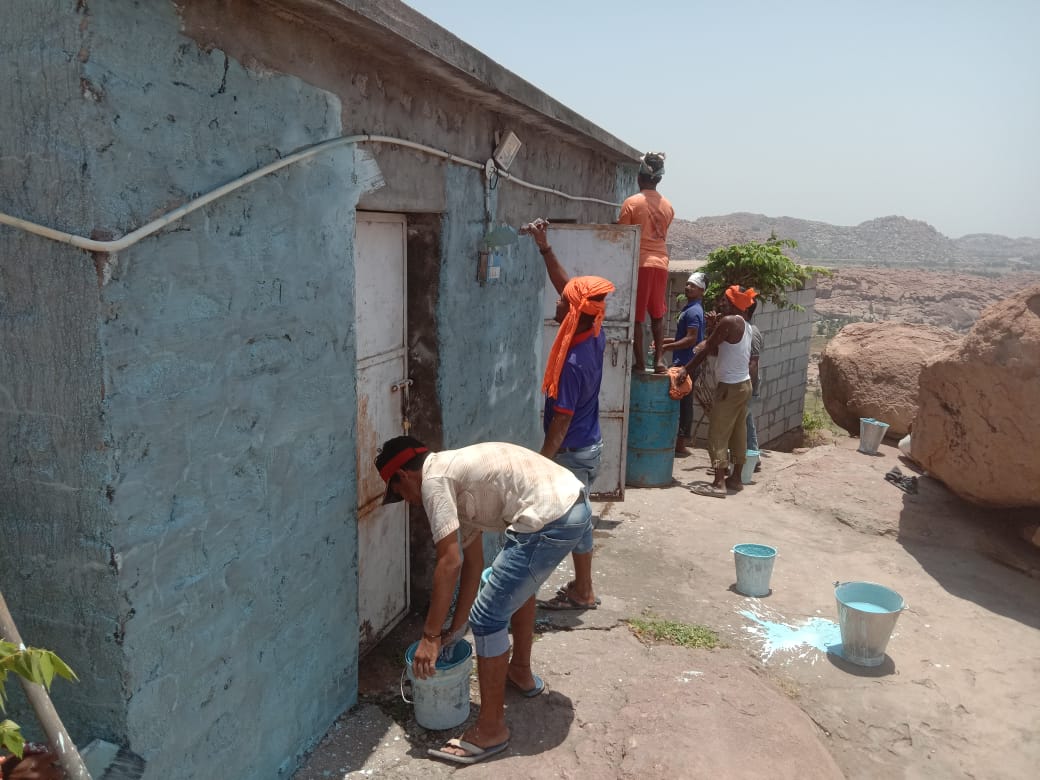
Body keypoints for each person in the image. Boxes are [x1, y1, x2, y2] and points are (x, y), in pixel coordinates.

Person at [374, 436, 592, 765]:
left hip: (552, 517)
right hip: (572, 504)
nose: (406, 501)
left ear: (404, 475)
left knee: (488, 619)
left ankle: (491, 729)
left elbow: (449, 563)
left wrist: (430, 637)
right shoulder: (453, 477)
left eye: (399, 493)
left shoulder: (434, 482)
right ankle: (519, 672)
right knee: (513, 589)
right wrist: (454, 628)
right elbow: (471, 565)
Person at [521, 218, 613, 611]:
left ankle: (575, 591)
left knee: (567, 522)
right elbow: (567, 288)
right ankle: (583, 588)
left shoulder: (574, 360)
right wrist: (544, 247)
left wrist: (542, 462)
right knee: (580, 517)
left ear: (574, 312)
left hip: (572, 450)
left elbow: (560, 419)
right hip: (586, 445)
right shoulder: (592, 331)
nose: (557, 301)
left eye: (563, 301)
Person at [676, 285, 758, 497]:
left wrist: (686, 369)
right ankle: (736, 479)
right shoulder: (746, 325)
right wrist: (713, 327)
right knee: (739, 432)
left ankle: (719, 483)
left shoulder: (729, 321)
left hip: (729, 387)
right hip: (744, 385)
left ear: (733, 304)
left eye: (724, 300)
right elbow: (716, 349)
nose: (720, 303)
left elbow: (705, 349)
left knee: (718, 433)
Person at [617, 152, 674, 374]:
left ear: (640, 176)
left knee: (637, 318)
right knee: (657, 314)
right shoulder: (668, 206)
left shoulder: (631, 202)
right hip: (661, 263)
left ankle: (640, 363)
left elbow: (623, 237)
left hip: (639, 263)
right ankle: (659, 361)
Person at [661, 272, 707, 456]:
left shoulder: (694, 311)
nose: (688, 288)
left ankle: (681, 444)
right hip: (682, 361)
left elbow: (691, 339)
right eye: (687, 284)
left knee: (684, 403)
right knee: (680, 402)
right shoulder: (689, 308)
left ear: (702, 291)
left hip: (688, 363)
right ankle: (678, 442)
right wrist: (665, 341)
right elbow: (683, 337)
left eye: (693, 286)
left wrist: (667, 347)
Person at [744, 299, 765, 469]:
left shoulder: (752, 331)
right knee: (747, 420)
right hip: (746, 384)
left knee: (741, 420)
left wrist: (749, 387)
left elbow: (753, 363)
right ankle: (753, 455)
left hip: (748, 384)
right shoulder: (745, 328)